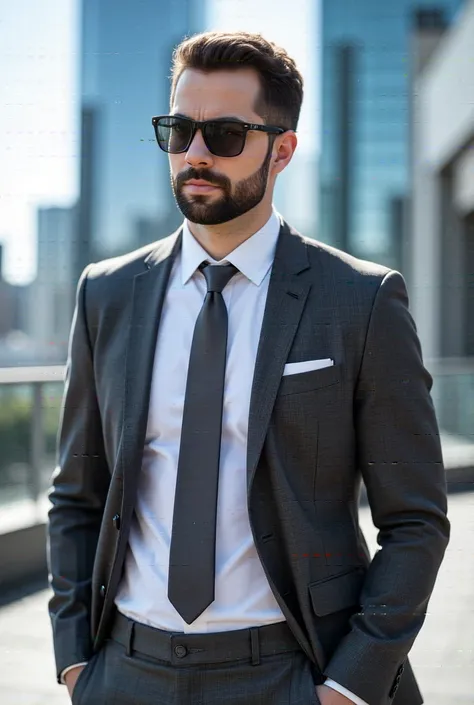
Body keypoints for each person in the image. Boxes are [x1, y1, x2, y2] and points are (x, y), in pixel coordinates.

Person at [46, 30, 450, 705]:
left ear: (283, 149)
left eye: (226, 134)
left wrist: (350, 686)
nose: (195, 154)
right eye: (180, 131)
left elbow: (415, 521)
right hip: (124, 670)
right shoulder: (106, 294)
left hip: (290, 671)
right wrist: (75, 665)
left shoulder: (360, 301)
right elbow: (76, 494)